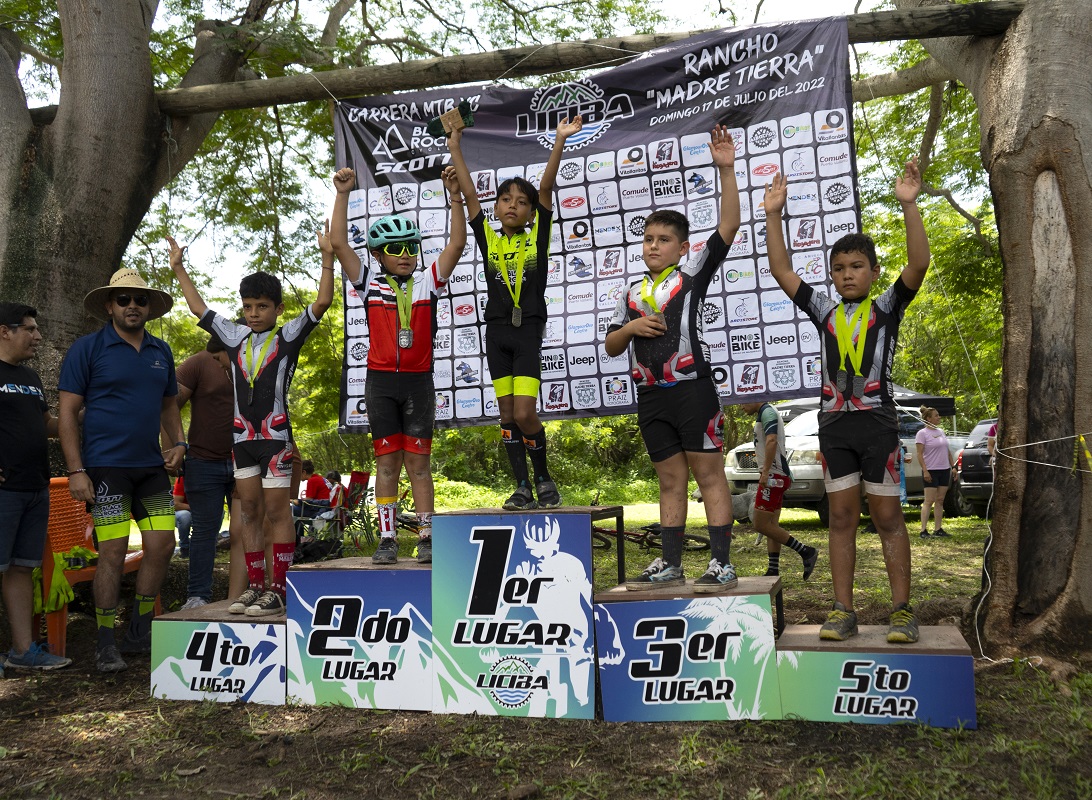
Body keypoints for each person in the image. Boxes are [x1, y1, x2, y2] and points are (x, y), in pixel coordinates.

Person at [762, 158, 930, 644]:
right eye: (839, 269)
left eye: (857, 267)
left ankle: (902, 611)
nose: (847, 275)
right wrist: (774, 214)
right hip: (834, 425)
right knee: (839, 518)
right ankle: (842, 610)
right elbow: (780, 269)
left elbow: (917, 263)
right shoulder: (823, 309)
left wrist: (909, 205)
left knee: (887, 517)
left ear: (874, 272)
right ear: (831, 276)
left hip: (877, 423)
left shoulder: (886, 307)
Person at [168, 227, 334, 616]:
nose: (254, 313)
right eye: (248, 306)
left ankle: (279, 588)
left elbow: (323, 301)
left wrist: (327, 258)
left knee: (278, 512)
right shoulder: (233, 336)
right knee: (248, 514)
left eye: (262, 306)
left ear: (276, 309)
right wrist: (179, 270)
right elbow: (199, 309)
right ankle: (256, 587)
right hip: (242, 441)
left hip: (275, 438)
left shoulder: (289, 336)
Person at [604, 124, 741, 593]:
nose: (652, 245)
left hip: (693, 390)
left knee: (708, 473)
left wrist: (726, 170)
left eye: (663, 239)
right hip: (651, 396)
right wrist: (630, 327)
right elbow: (611, 345)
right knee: (668, 479)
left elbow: (727, 228)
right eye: (647, 238)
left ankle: (721, 563)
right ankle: (671, 562)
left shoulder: (693, 273)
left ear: (682, 248)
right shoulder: (629, 291)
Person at [330, 165, 465, 565]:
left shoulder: (428, 283)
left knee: (418, 465)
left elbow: (456, 244)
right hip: (381, 384)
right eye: (396, 249)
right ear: (378, 254)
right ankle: (387, 539)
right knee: (386, 464)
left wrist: (453, 195)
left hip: (419, 383)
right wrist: (342, 194)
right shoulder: (369, 281)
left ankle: (426, 537)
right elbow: (338, 243)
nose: (406, 256)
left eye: (411, 248)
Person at [447, 117, 583, 511]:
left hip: (527, 332)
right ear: (497, 207)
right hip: (496, 331)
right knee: (505, 414)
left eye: (521, 203)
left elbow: (545, 187)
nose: (514, 205)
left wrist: (558, 140)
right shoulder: (488, 237)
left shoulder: (538, 238)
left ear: (530, 214)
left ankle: (543, 477)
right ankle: (521, 485)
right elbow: (470, 196)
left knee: (525, 412)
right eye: (506, 199)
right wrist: (455, 146)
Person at [58, 269, 186, 672]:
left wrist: (178, 443)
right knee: (112, 551)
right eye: (124, 299)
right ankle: (104, 642)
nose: (133, 305)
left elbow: (169, 406)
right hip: (105, 468)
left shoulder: (160, 351)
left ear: (149, 307)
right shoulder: (88, 348)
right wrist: (76, 469)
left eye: (140, 299)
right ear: (110, 306)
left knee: (163, 544)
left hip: (151, 468)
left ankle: (139, 632)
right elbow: (66, 413)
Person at [0, 303, 72, 674]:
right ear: (5, 331)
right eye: (30, 329)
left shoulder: (29, 377)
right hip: (4, 490)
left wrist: (82, 411)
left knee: (20, 569)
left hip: (35, 486)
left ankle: (22, 650)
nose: (38, 336)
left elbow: (47, 424)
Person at [172, 336, 235, 610]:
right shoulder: (199, 362)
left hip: (246, 461)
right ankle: (197, 596)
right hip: (202, 461)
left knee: (250, 527)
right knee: (204, 531)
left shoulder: (258, 363)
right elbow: (168, 404)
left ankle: (253, 590)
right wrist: (173, 447)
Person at [739, 401, 820, 579]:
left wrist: (765, 472)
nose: (741, 407)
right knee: (771, 525)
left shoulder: (768, 412)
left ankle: (806, 551)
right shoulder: (765, 412)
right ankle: (773, 569)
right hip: (777, 475)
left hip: (774, 476)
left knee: (760, 524)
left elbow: (771, 440)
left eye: (743, 402)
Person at [915, 405, 956, 538]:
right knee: (929, 501)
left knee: (940, 500)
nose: (939, 417)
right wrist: (925, 471)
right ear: (929, 418)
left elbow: (947, 451)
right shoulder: (922, 433)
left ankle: (938, 529)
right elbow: (919, 454)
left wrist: (953, 466)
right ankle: (923, 530)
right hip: (931, 470)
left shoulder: (941, 432)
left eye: (938, 415)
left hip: (944, 469)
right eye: (936, 415)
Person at [173, 476, 191, 557]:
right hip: (180, 513)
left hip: (200, 512)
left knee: (221, 512)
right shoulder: (182, 479)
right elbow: (176, 505)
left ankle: (210, 545)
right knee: (185, 515)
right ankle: (184, 547)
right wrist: (197, 508)